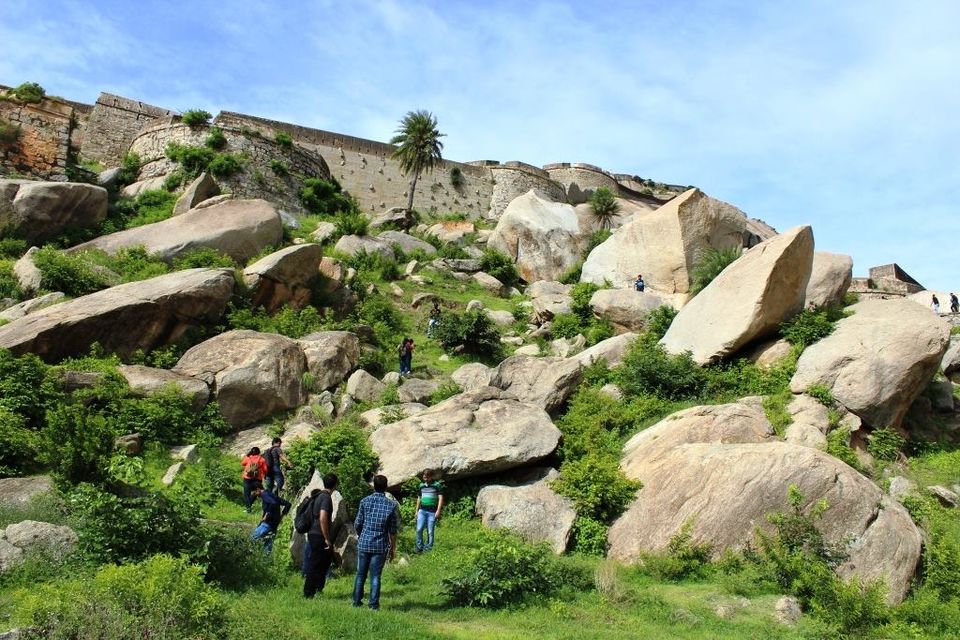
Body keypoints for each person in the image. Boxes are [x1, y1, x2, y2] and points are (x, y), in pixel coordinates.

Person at [353, 475, 398, 610]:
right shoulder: (391, 505)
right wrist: (392, 549)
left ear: (373, 486)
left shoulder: (364, 501)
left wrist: (362, 535)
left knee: (360, 574)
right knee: (375, 576)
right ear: (386, 487)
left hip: (364, 543)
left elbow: (357, 523)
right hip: (380, 545)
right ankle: (373, 605)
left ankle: (356, 602)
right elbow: (393, 530)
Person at [303, 473, 339, 598]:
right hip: (319, 534)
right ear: (335, 484)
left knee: (322, 562)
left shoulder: (317, 496)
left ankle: (317, 589)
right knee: (315, 564)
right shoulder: (326, 498)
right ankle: (308, 593)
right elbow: (323, 517)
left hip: (313, 533)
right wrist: (327, 538)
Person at [250, 483, 291, 553]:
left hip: (267, 523)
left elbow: (273, 503)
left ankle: (248, 556)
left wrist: (267, 514)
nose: (255, 495)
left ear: (258, 489)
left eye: (254, 493)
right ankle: (266, 563)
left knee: (252, 539)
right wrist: (281, 516)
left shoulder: (264, 495)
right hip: (274, 524)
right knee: (267, 548)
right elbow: (288, 504)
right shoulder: (270, 494)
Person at [414, 469, 444, 553]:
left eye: (427, 477)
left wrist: (438, 510)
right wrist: (416, 511)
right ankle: (419, 547)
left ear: (431, 477)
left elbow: (441, 498)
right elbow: (419, 498)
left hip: (432, 512)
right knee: (419, 529)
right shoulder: (421, 486)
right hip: (422, 511)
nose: (425, 479)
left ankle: (428, 548)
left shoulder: (437, 485)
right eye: (424, 477)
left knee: (430, 531)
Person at [241, 447, 268, 513]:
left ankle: (248, 508)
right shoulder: (262, 459)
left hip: (247, 478)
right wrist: (264, 475)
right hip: (257, 479)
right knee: (257, 492)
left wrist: (248, 455)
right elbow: (265, 470)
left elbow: (242, 463)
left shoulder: (248, 458)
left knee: (247, 493)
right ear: (259, 452)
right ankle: (249, 504)